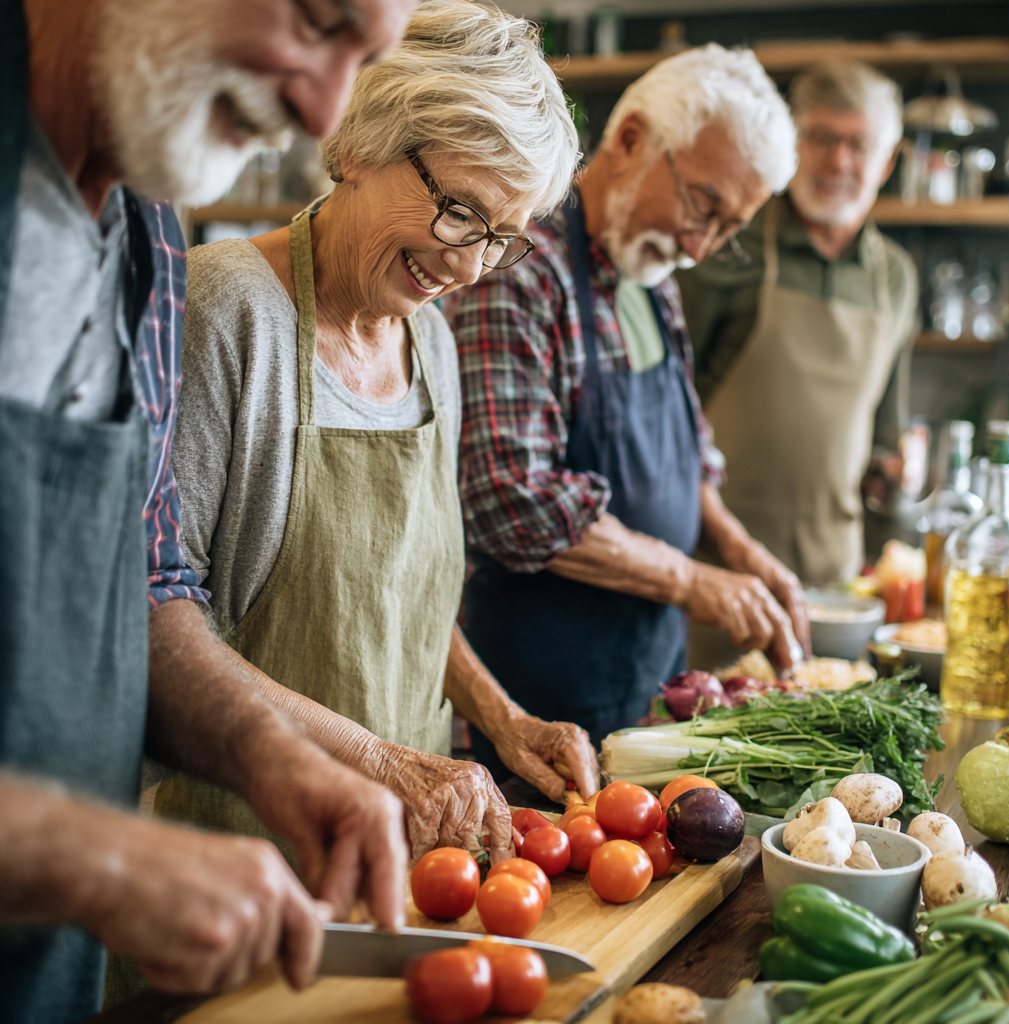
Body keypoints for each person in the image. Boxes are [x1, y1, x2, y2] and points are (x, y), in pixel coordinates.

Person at [0, 0, 418, 1020]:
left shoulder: (146, 229)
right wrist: (95, 858)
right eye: (319, 20)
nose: (322, 113)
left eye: (361, 59)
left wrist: (266, 753)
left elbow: (138, 587)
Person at [159, 0, 599, 868]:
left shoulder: (430, 341)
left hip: (413, 859)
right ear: (362, 140)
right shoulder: (222, 314)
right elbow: (158, 631)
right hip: (242, 857)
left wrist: (499, 718)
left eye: (504, 238)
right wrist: (379, 762)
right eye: (461, 212)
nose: (470, 266)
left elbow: (405, 604)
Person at [445, 45, 811, 785]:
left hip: (648, 677)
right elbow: (510, 500)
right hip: (538, 700)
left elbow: (689, 452)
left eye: (727, 228)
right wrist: (696, 583)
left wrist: (738, 551)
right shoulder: (519, 268)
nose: (700, 245)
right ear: (634, 138)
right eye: (703, 206)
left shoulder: (650, 275)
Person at [677, 61, 918, 586]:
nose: (838, 160)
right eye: (822, 138)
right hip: (716, 564)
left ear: (887, 162)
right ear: (791, 142)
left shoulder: (895, 277)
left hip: (836, 572)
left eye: (859, 144)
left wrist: (893, 467)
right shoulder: (730, 242)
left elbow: (885, 426)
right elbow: (667, 403)